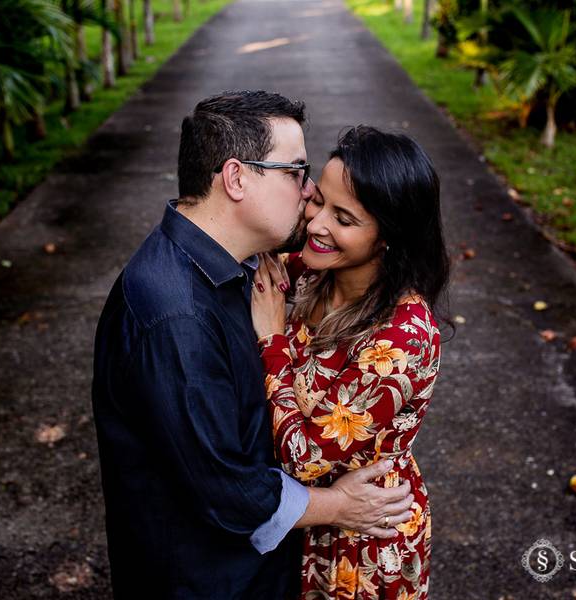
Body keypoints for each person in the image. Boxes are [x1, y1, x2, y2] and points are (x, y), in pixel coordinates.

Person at [91, 92, 416, 599]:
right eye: (294, 171)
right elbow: (228, 488)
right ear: (237, 178)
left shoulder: (236, 263)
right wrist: (338, 506)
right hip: (205, 581)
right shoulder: (177, 318)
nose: (308, 193)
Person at [251, 126, 450, 599]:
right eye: (318, 200)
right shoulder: (304, 275)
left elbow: (305, 459)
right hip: (297, 522)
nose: (317, 223)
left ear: (388, 237)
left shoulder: (404, 337)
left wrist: (273, 340)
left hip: (362, 541)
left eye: (343, 218)